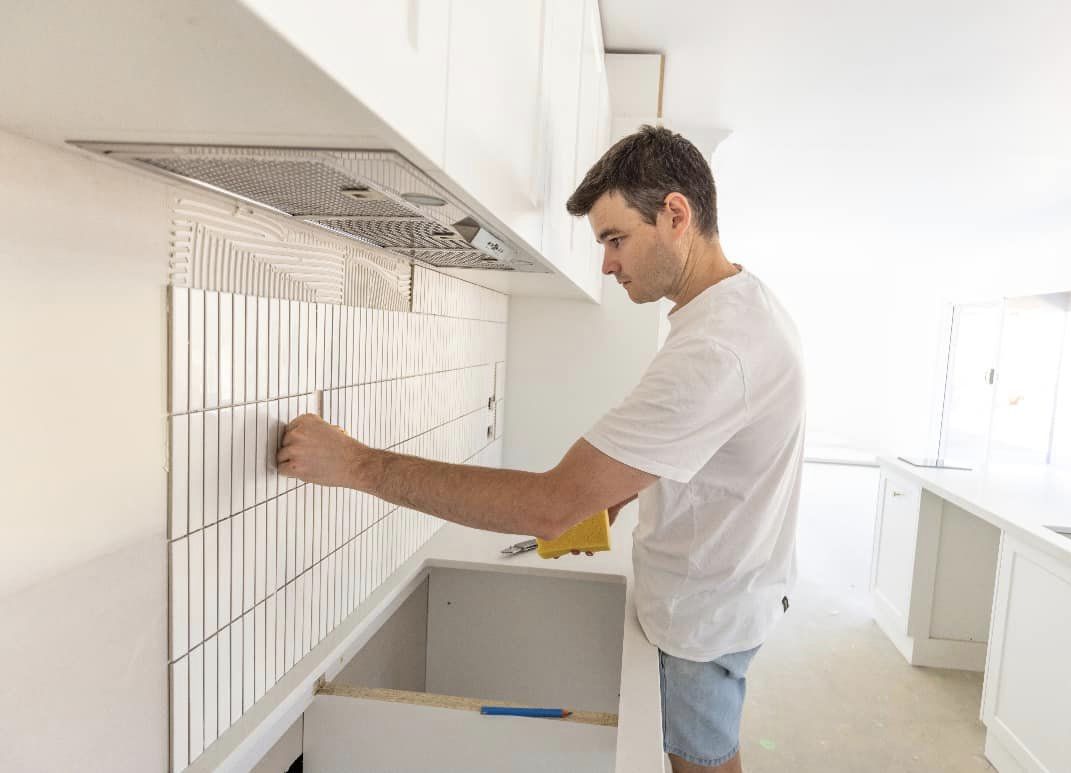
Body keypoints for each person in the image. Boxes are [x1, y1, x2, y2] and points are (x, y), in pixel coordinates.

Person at [278, 125, 806, 773]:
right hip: (724, 595)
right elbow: (701, 441)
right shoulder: (735, 311)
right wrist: (616, 489)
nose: (608, 262)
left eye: (616, 239)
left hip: (704, 618)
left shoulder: (716, 349)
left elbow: (549, 505)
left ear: (676, 214)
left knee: (701, 762)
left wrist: (356, 463)